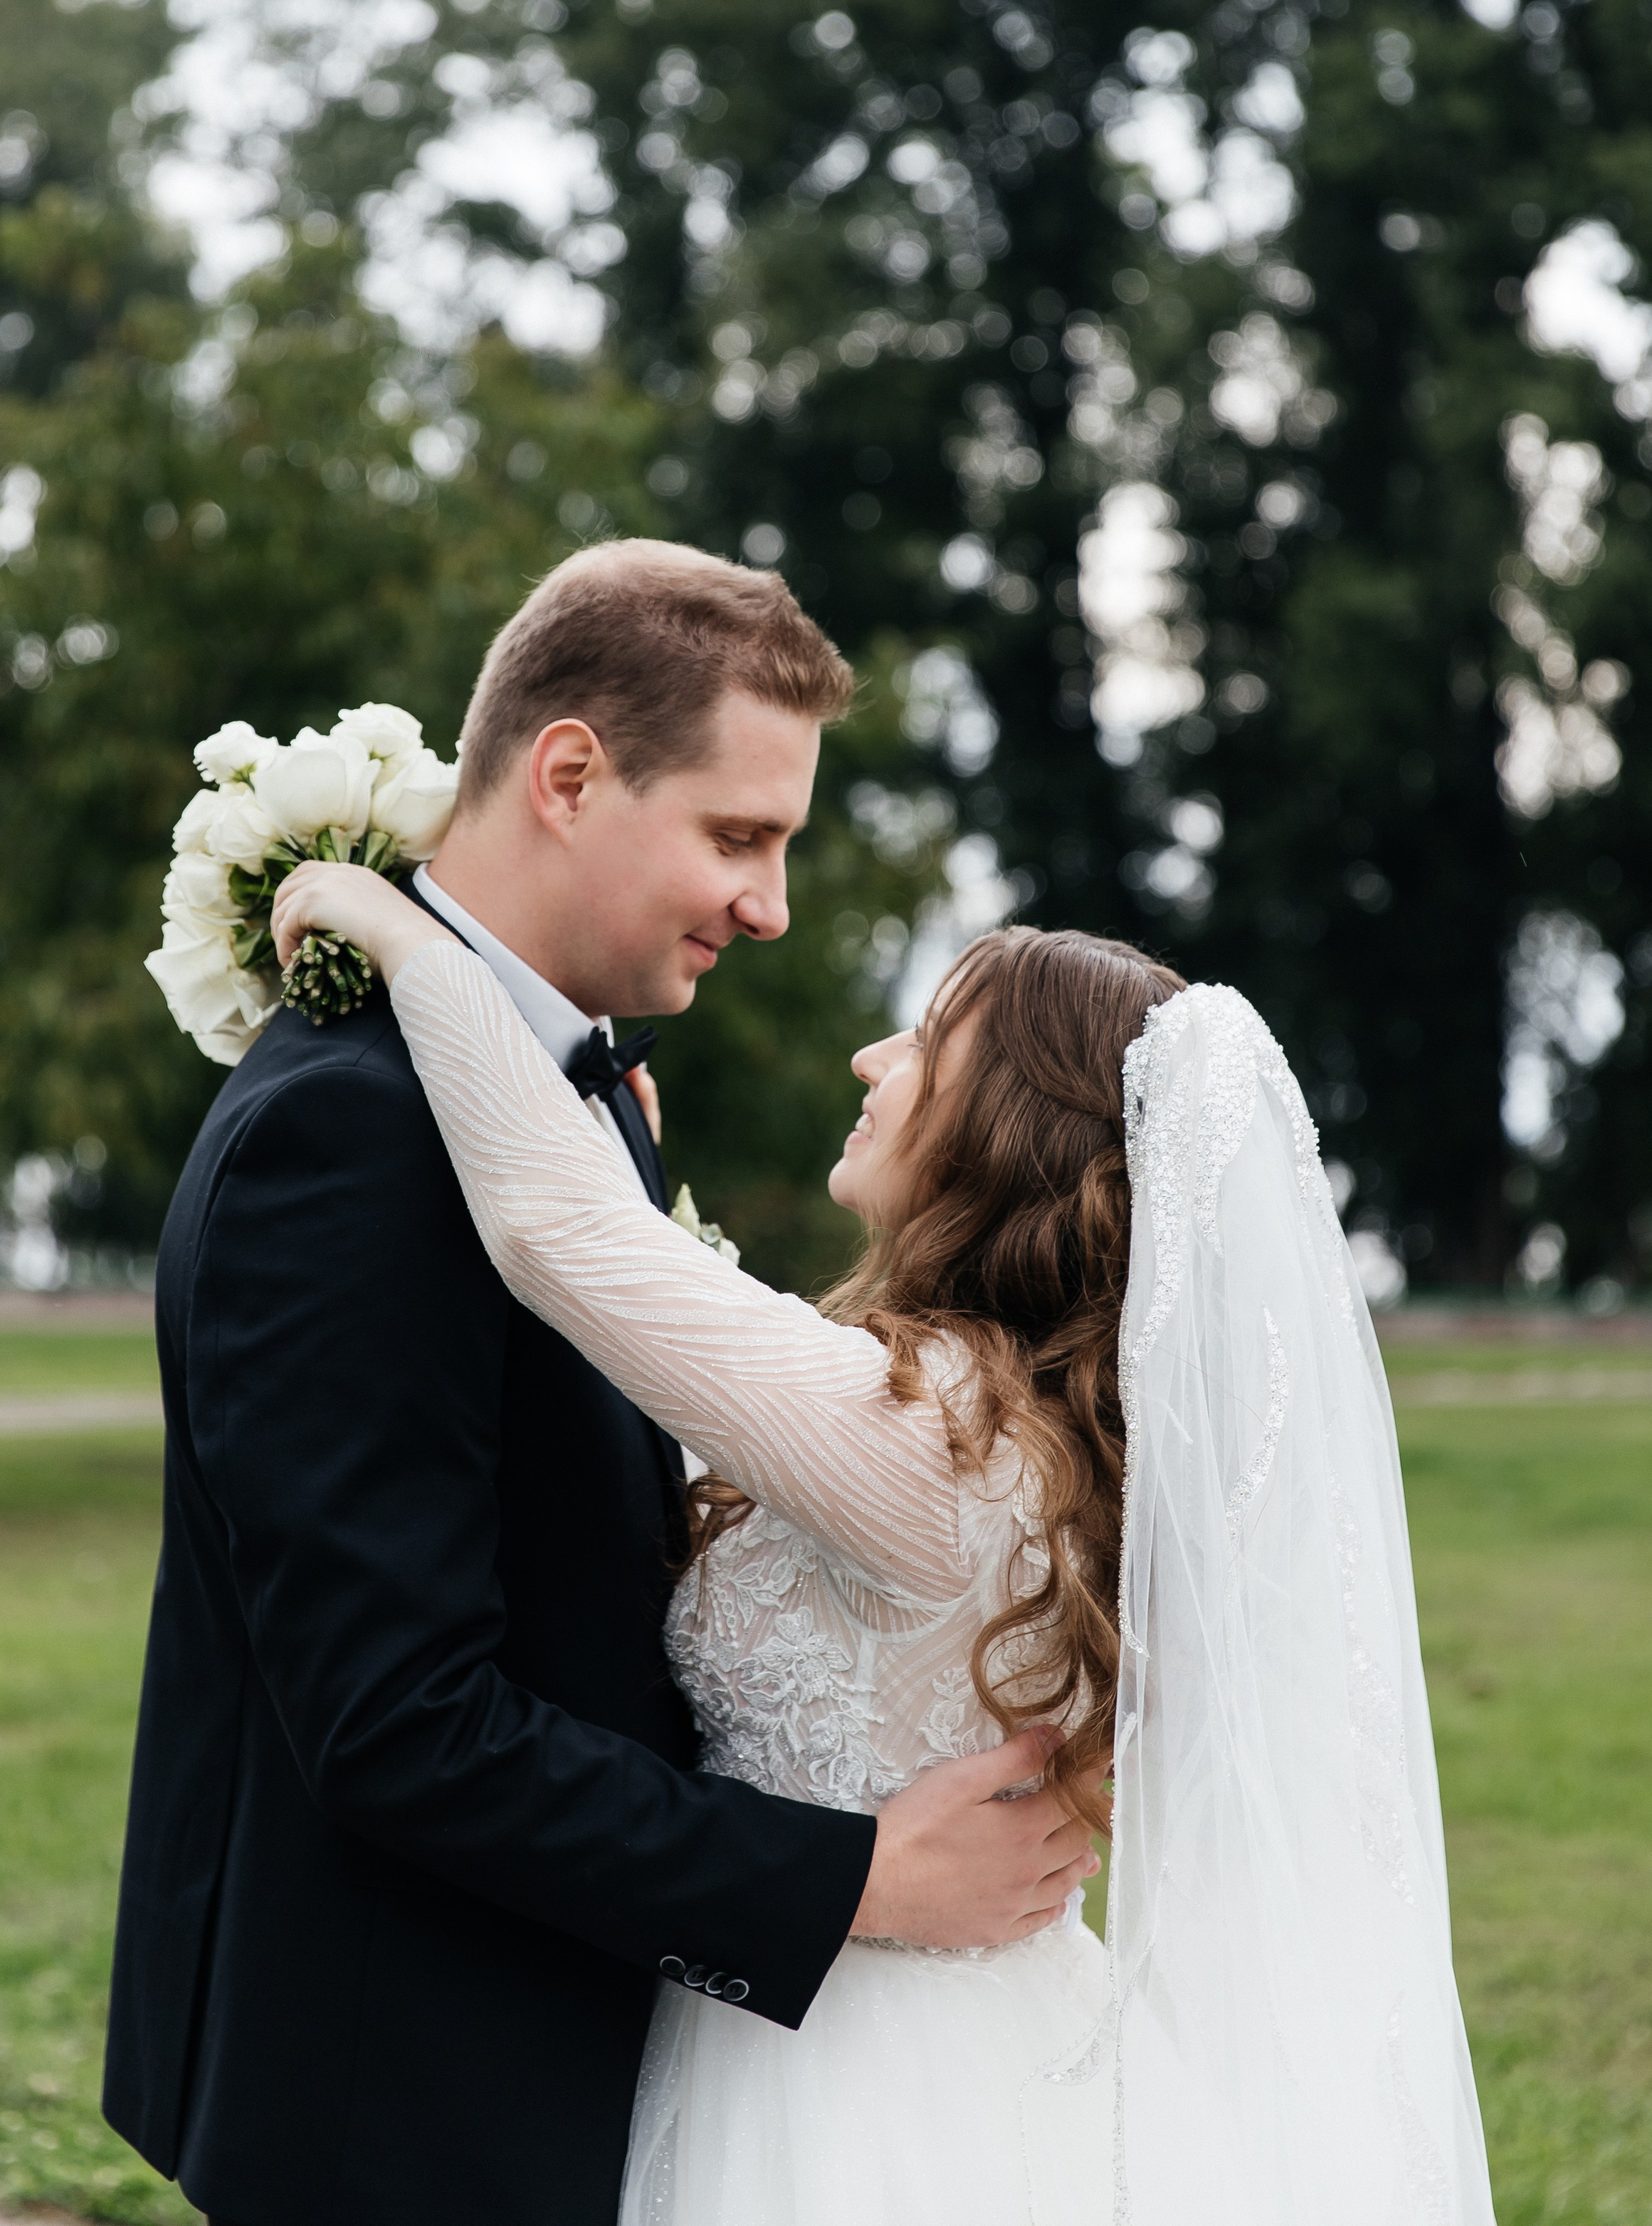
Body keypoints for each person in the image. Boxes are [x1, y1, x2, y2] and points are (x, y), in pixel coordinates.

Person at [272, 859, 1500, 2225]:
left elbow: (555, 1232)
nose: (874, 1054)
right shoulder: (1031, 1436)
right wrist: (627, 1155)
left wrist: (403, 925)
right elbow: (714, 1355)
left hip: (850, 2093)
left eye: (925, 1039)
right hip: (965, 2037)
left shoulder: (941, 1443)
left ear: (1007, 1126)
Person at [103, 542, 1093, 2226]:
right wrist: (850, 1880)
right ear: (568, 772)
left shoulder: (564, 1104)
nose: (770, 906)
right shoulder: (351, 1134)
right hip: (411, 2107)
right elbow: (401, 1725)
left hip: (579, 2071)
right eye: (738, 836)